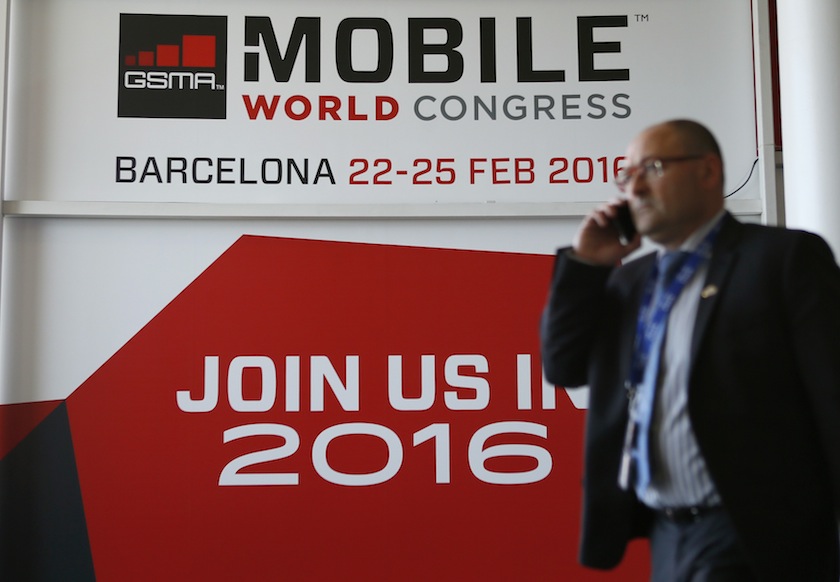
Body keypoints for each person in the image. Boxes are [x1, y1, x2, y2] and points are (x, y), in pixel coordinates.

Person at [540, 119, 840, 581]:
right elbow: (563, 366)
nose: (634, 187)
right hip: (667, 532)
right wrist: (585, 266)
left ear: (707, 171)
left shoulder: (784, 259)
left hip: (755, 533)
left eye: (652, 168)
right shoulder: (629, 281)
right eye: (626, 176)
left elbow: (831, 393)